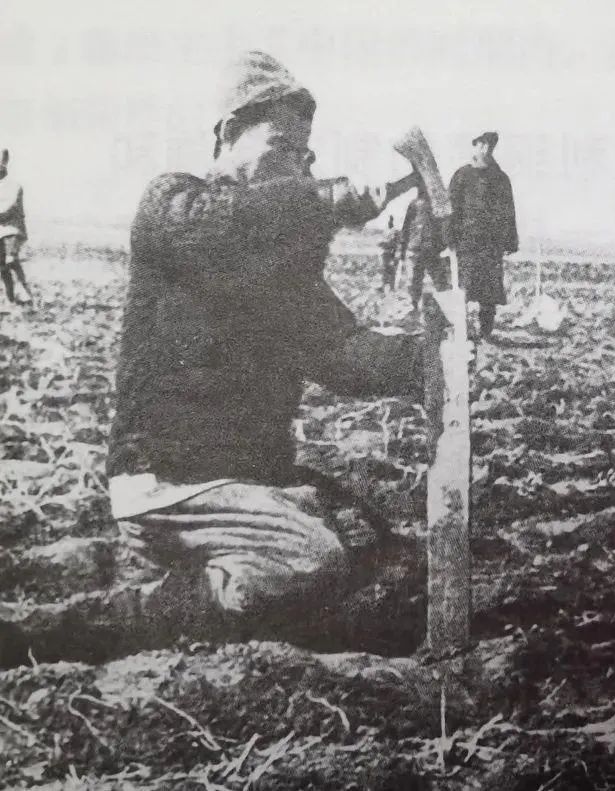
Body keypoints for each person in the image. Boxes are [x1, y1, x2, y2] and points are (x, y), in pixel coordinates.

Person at [102, 51, 425, 649]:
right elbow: (225, 225)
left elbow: (342, 352)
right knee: (311, 558)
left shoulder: (279, 265)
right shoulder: (175, 205)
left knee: (371, 541)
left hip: (241, 481)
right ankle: (137, 616)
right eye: (280, 146)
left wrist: (431, 359)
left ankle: (215, 577)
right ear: (227, 133)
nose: (296, 167)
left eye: (304, 156)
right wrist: (323, 200)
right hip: (170, 483)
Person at [448, 131, 518, 340]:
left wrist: (510, 240)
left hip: (491, 244)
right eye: (482, 144)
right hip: (467, 242)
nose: (486, 149)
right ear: (475, 146)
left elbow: (508, 211)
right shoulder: (462, 175)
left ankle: (486, 332)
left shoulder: (501, 178)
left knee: (489, 292)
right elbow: (450, 209)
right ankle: (462, 330)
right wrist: (449, 236)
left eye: (490, 146)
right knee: (464, 289)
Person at [400, 183, 451, 311]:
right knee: (420, 280)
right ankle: (415, 306)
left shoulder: (436, 204)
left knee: (436, 280)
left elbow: (444, 226)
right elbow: (406, 228)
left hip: (428, 248)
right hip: (422, 247)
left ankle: (442, 307)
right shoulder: (416, 204)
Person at [0, 148, 32, 306]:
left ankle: (24, 292)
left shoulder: (14, 186)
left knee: (10, 260)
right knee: (2, 266)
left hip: (12, 230)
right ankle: (10, 296)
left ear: (4, 163)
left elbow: (8, 207)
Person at [377, 215, 401, 293]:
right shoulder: (391, 234)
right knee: (386, 272)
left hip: (390, 256)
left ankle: (391, 288)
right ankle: (385, 287)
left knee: (391, 272)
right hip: (388, 256)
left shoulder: (395, 234)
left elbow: (392, 245)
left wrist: (383, 244)